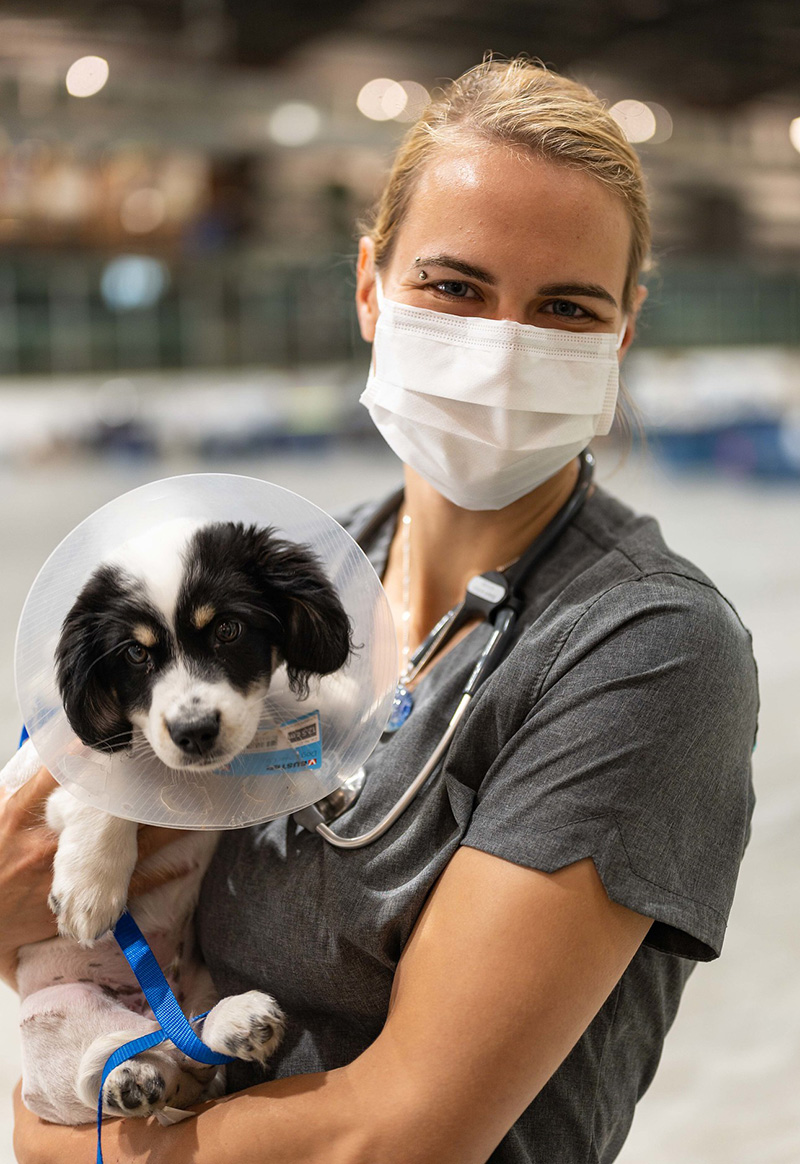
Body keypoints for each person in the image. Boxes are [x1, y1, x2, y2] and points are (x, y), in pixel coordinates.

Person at [6, 57, 758, 1164]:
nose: (501, 346)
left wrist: (66, 1147)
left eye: (563, 307)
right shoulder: (310, 572)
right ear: (369, 289)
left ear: (622, 332)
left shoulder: (640, 652)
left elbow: (395, 1138)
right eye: (454, 288)